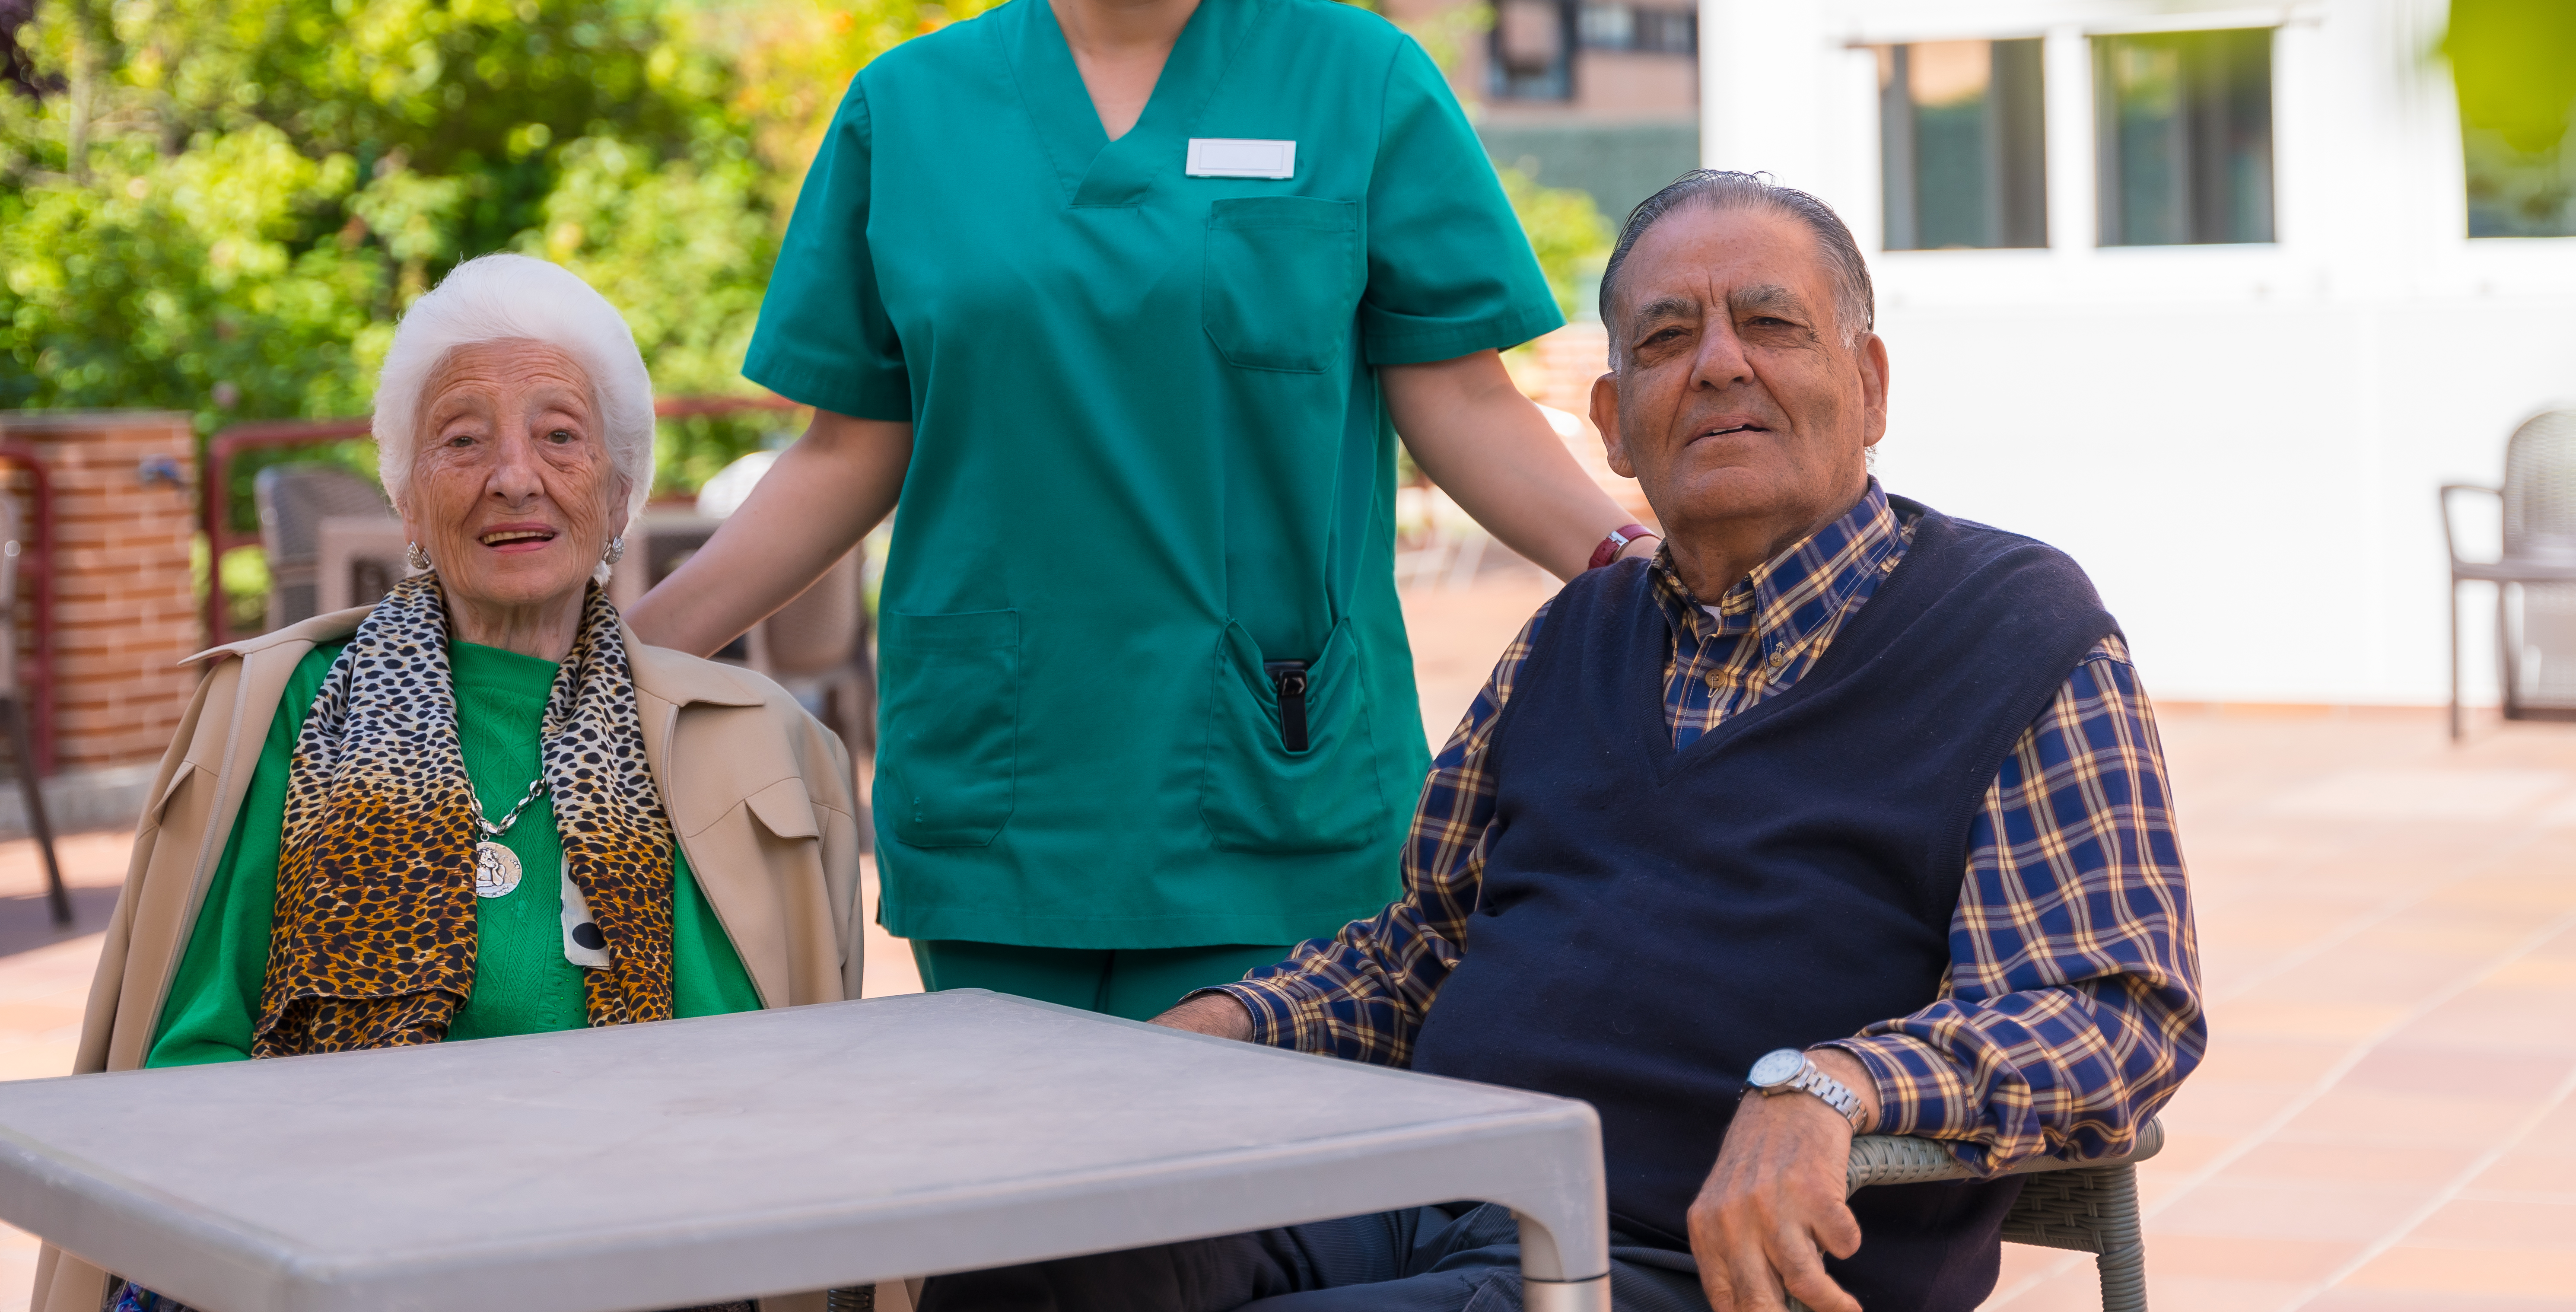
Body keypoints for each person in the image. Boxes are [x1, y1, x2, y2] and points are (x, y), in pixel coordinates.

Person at [928, 171, 2205, 1312]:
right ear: (1612, 418)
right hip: (1422, 1191)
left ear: (1868, 389)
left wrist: (1827, 1087)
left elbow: (2115, 1011)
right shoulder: (1574, 634)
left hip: (1679, 1265)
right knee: (1026, 1256)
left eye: (1769, 324)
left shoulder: (2013, 630)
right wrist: (1204, 1035)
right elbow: (1421, 954)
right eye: (1666, 339)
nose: (1716, 365)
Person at [629, 0, 1658, 1016]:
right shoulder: (910, 113)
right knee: (1026, 1228)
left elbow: (1461, 401)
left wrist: (1641, 569)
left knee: (1274, 1232)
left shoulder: (1358, 88)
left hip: (1274, 799)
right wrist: (620, 656)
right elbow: (847, 450)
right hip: (1005, 805)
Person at [37, 256, 863, 1312]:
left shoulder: (748, 743)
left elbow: (776, 1098)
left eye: (560, 435)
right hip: (339, 1250)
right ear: (409, 500)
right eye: (464, 439)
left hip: (646, 1256)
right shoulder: (286, 706)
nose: (513, 475)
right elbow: (197, 1047)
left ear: (617, 493)